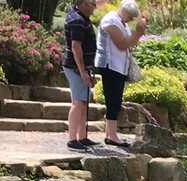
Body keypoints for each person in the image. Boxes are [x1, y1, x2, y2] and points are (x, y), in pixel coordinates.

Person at [95, 0, 146, 148]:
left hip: (119, 67)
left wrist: (137, 34)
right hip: (110, 65)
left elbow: (130, 44)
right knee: (113, 100)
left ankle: (110, 134)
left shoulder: (121, 23)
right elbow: (123, 44)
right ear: (125, 12)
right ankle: (112, 136)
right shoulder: (111, 20)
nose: (131, 20)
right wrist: (138, 32)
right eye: (130, 17)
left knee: (116, 100)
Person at [63, 0, 98, 151]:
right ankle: (72, 139)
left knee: (83, 102)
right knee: (78, 103)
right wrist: (82, 71)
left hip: (81, 68)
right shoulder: (77, 20)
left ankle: (82, 137)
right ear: (83, 3)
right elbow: (76, 46)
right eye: (92, 4)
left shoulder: (81, 17)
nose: (95, 8)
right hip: (75, 68)